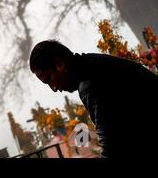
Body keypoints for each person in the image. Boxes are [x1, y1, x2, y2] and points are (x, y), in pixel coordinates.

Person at [29, 39, 158, 158]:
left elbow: (112, 147)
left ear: (59, 64)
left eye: (49, 80)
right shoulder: (92, 64)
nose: (54, 88)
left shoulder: (90, 84)